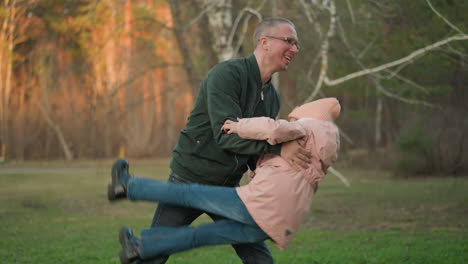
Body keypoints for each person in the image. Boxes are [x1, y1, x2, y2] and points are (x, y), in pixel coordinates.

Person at [111, 17, 308, 264]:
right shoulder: (227, 74)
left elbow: (257, 147)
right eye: (288, 41)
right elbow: (226, 137)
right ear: (264, 42)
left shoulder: (272, 98)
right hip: (190, 176)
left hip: (228, 190)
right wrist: (279, 149)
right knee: (153, 255)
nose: (295, 49)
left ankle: (132, 213)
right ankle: (130, 197)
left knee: (258, 256)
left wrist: (267, 169)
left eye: (296, 44)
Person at [108, 97, 341, 264]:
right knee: (201, 236)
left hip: (259, 205)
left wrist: (238, 126)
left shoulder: (306, 127)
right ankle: (139, 247)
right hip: (278, 222)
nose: (292, 118)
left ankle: (128, 185)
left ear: (308, 114)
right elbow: (293, 180)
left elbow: (273, 128)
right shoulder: (324, 150)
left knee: (188, 193)